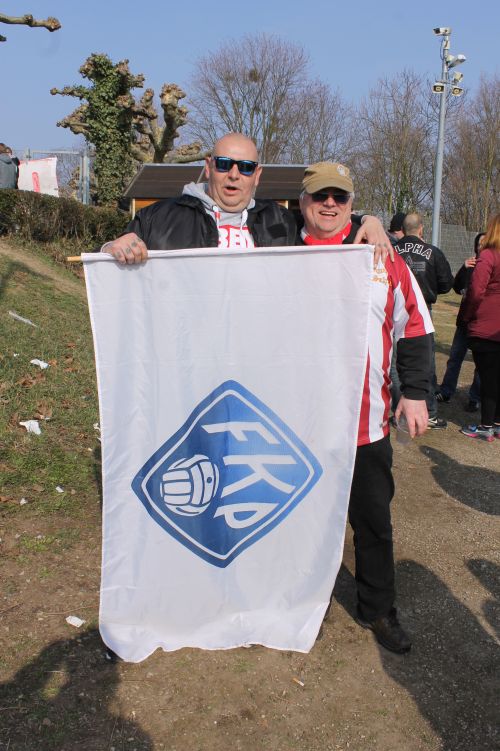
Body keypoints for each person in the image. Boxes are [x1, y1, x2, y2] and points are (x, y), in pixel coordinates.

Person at [298, 162, 433, 654]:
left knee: (373, 523)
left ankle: (377, 607)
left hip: (365, 425)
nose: (329, 204)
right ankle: (298, 602)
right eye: (320, 196)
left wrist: (414, 391)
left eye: (340, 197)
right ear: (302, 202)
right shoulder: (278, 250)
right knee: (299, 521)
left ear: (352, 204)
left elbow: (414, 324)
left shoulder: (382, 255)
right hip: (299, 425)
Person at [102, 133, 393, 261]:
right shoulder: (158, 217)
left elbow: (324, 218)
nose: (234, 175)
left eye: (245, 167)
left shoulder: (279, 220)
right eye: (224, 164)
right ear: (208, 166)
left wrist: (369, 221)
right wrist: (111, 246)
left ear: (257, 174)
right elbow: (108, 261)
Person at [393, 213, 453, 429]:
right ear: (421, 229)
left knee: (394, 361)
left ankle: (399, 409)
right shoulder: (433, 252)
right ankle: (430, 412)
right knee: (424, 360)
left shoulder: (392, 251)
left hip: (393, 307)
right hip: (421, 309)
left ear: (402, 229)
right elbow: (446, 284)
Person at [460, 214, 500, 442]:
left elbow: (476, 291)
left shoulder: (488, 255)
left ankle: (486, 426)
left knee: (488, 378)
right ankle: (497, 423)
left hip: (486, 326)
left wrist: (468, 316)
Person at [436, 233, 483, 411]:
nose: (482, 246)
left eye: (485, 243)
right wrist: (463, 268)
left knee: (480, 363)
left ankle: (475, 398)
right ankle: (446, 391)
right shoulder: (471, 265)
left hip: (481, 324)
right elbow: (456, 288)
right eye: (479, 243)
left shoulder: (493, 265)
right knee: (455, 358)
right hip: (464, 322)